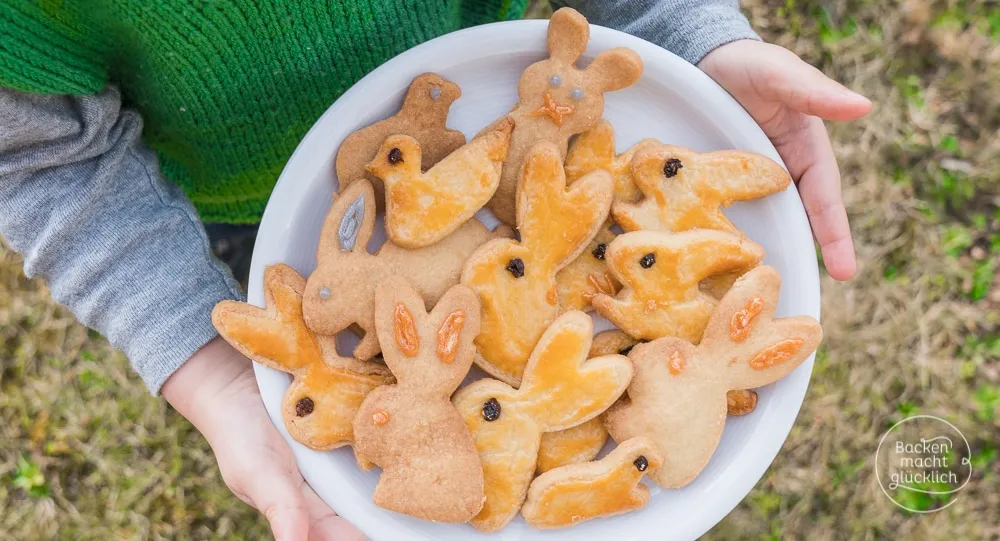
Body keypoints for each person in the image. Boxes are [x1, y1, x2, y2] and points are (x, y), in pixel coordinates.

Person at [0, 1, 870, 539]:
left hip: (462, 87)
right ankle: (247, 249)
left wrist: (684, 36)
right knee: (285, 269)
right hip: (251, 196)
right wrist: (199, 356)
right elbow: (37, 158)